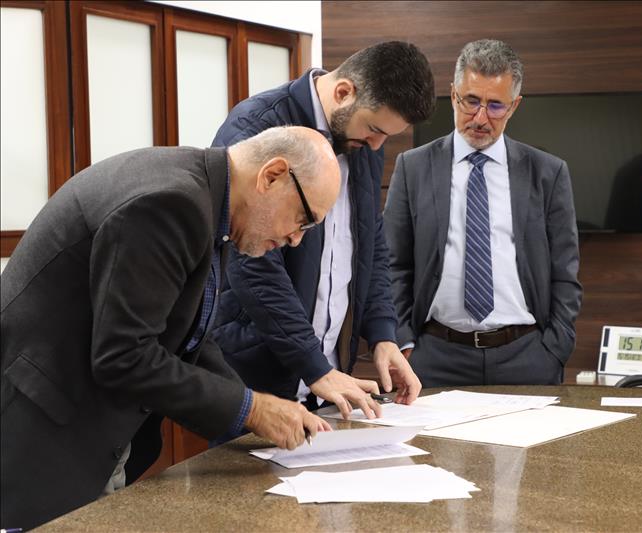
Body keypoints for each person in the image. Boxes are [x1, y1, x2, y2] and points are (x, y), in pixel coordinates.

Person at [0, 126, 339, 530]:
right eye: (302, 219)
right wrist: (252, 409)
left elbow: (188, 337)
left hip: (87, 427)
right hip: (44, 434)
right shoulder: (171, 203)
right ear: (272, 175)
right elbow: (125, 356)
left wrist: (254, 407)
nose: (296, 239)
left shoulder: (208, 200)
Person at [210, 41, 434, 420]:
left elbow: (370, 242)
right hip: (260, 377)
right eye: (375, 130)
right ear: (344, 92)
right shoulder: (257, 126)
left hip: (329, 380)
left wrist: (382, 334)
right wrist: (312, 364)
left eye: (386, 137)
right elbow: (251, 263)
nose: (377, 145)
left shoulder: (363, 141)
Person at [384, 39, 582, 388]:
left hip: (526, 357)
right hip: (434, 357)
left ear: (515, 106)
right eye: (471, 101)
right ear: (453, 94)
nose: (480, 118)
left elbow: (564, 272)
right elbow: (393, 264)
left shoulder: (547, 172)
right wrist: (405, 343)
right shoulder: (413, 167)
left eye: (495, 106)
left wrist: (555, 347)